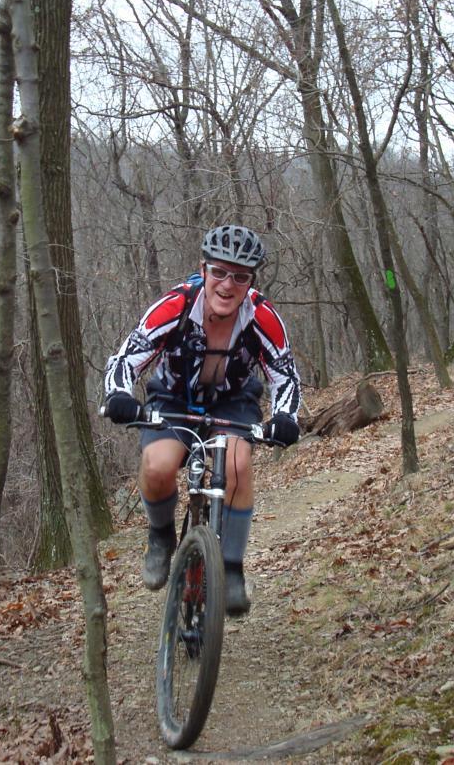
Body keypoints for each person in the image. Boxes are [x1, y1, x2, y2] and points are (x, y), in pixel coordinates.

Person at [102, 225, 301, 616]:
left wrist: (285, 417)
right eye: (220, 272)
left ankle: (230, 567)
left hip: (233, 403)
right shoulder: (174, 305)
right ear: (203, 269)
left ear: (251, 282)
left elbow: (285, 374)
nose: (228, 285)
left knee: (237, 465)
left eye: (240, 276)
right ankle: (160, 536)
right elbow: (128, 357)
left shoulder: (262, 317)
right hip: (174, 396)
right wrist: (119, 395)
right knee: (157, 466)